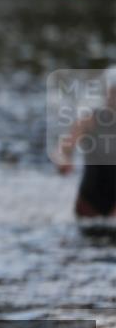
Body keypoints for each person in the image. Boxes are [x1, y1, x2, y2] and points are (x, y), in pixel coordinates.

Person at [56, 67, 116, 219]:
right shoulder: (89, 120)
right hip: (89, 203)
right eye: (114, 92)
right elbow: (64, 148)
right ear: (107, 93)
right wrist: (64, 161)